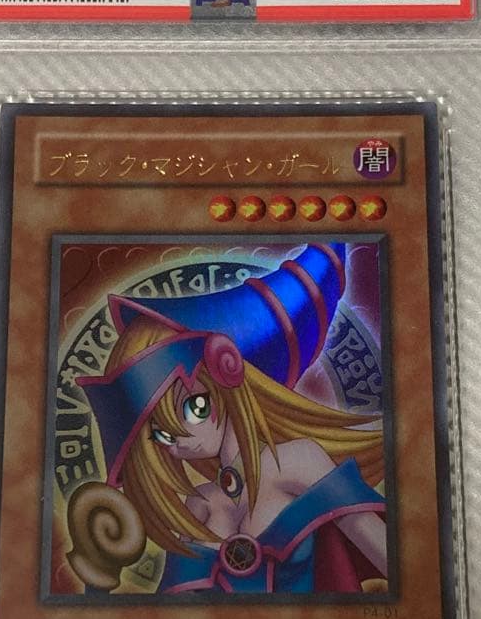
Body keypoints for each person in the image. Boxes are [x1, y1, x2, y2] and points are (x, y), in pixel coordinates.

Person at [75, 243, 387, 594]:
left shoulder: (298, 461)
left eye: (193, 409)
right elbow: (173, 615)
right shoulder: (199, 505)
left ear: (228, 381)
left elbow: (389, 558)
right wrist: (96, 578)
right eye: (162, 435)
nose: (178, 442)